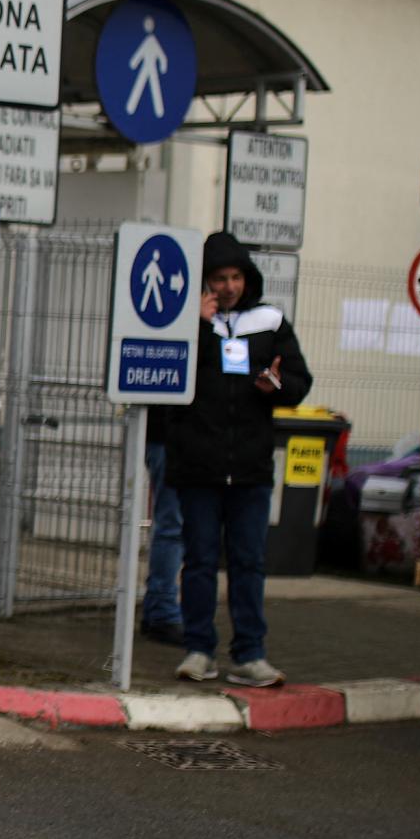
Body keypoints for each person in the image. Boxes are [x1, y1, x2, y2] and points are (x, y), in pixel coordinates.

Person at [153, 232, 311, 687]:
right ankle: (199, 649)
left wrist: (277, 387)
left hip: (250, 467)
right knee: (200, 561)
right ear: (204, 282)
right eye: (219, 278)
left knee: (248, 562)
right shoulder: (186, 322)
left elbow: (299, 379)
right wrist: (198, 326)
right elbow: (173, 374)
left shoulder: (271, 322)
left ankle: (250, 654)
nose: (228, 287)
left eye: (235, 277)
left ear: (248, 279)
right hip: (198, 465)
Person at [140, 417, 186, 647]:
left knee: (170, 525)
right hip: (171, 438)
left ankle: (157, 609)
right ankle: (162, 613)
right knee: (172, 527)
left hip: (167, 436)